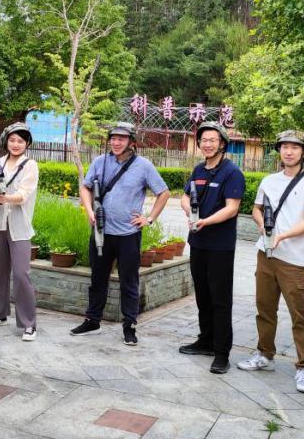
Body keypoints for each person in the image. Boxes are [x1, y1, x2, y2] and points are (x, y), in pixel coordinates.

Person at [235, 129, 304, 392]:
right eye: (284, 147)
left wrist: (282, 236)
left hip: (294, 260)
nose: (289, 151)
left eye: (295, 147)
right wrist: (262, 226)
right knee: (264, 307)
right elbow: (256, 209)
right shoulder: (269, 180)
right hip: (265, 254)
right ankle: (265, 354)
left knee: (300, 314)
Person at [71, 122, 170, 345]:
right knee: (98, 278)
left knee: (129, 281)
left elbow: (163, 192)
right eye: (113, 138)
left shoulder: (144, 166)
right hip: (101, 231)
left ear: (131, 142)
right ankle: (92, 320)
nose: (116, 142)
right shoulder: (100, 161)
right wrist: (90, 210)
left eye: (121, 139)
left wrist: (149, 219)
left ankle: (129, 326)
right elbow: (85, 187)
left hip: (128, 234)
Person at [177, 121, 245, 373]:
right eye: (204, 140)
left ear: (222, 144)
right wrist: (190, 211)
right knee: (202, 295)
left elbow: (232, 208)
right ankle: (205, 340)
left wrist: (205, 221)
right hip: (198, 242)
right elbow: (185, 196)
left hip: (220, 246)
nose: (207, 144)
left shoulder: (232, 172)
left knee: (220, 299)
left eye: (212, 140)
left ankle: (221, 353)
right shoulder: (198, 169)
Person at [0, 122, 40, 341]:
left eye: (21, 141)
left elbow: (24, 195)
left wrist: (5, 197)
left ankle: (29, 324)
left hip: (20, 227)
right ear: (6, 141)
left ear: (27, 144)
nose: (16, 144)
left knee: (21, 274)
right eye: (12, 140)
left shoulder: (30, 165)